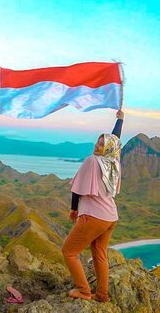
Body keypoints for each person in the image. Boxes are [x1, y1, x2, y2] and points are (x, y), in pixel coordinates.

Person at [62, 109, 124, 302]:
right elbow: (115, 139)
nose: (97, 145)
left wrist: (74, 209)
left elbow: (77, 188)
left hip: (94, 217)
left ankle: (84, 291)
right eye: (98, 141)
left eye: (102, 144)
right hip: (110, 217)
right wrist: (120, 121)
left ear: (108, 148)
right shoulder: (113, 162)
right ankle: (102, 295)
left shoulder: (92, 161)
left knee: (69, 252)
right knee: (99, 253)